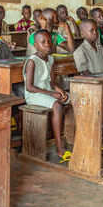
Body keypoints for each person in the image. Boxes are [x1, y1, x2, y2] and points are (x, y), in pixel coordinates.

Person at [24, 30, 71, 161]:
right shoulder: (32, 62)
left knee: (71, 99)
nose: (48, 44)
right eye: (43, 42)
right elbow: (29, 87)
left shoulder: (50, 58)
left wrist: (59, 90)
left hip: (47, 91)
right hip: (34, 95)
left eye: (49, 41)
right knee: (57, 105)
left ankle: (74, 136)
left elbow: (51, 81)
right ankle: (59, 146)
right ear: (36, 46)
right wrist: (52, 94)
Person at [73, 19, 103, 139]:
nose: (95, 33)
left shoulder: (100, 48)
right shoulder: (80, 51)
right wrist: (100, 79)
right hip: (90, 85)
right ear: (83, 34)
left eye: (96, 30)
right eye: (91, 31)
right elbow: (85, 73)